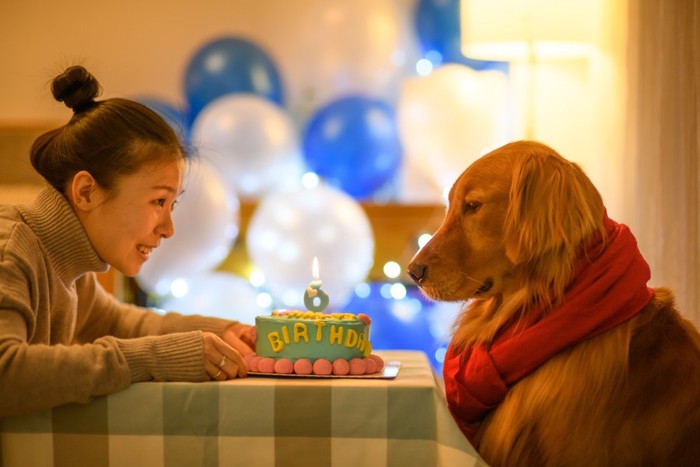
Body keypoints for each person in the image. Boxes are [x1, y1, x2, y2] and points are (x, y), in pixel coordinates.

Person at [0, 65, 254, 418]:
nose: (169, 229)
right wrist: (155, 357)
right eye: (158, 202)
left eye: (173, 204)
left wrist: (223, 330)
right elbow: (5, 373)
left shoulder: (67, 265)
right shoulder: (10, 250)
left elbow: (122, 324)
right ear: (86, 192)